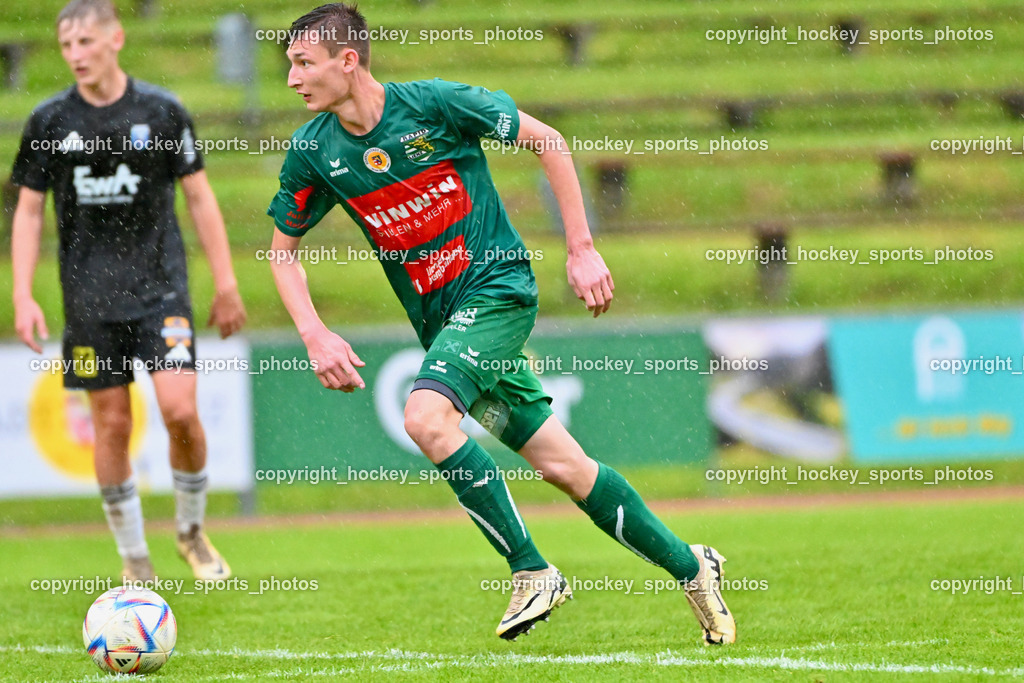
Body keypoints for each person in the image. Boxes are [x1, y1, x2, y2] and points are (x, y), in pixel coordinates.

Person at [267, 3, 735, 644]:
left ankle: (531, 571)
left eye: (302, 62)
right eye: (289, 64)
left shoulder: (436, 105)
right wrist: (314, 333)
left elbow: (548, 141)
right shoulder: (315, 153)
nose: (292, 78)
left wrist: (580, 247)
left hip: (498, 292)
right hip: (444, 326)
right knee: (565, 467)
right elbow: (281, 254)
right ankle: (692, 565)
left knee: (425, 418)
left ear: (348, 61)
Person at [10, 0, 245, 582]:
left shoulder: (161, 112)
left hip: (161, 291)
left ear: (115, 38)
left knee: (181, 412)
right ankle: (135, 558)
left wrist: (227, 282)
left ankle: (191, 531)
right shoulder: (49, 121)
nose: (75, 55)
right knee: (111, 425)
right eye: (66, 46)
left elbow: (200, 198)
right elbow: (29, 212)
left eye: (85, 42)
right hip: (88, 300)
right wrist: (22, 293)